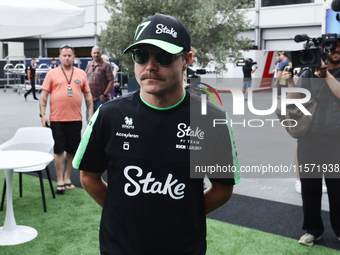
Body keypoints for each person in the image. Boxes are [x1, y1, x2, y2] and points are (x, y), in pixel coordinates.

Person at [73, 14, 240, 254]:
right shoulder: (109, 115)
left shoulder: (212, 120)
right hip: (119, 248)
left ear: (187, 59)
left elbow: (222, 189)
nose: (150, 66)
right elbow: (88, 177)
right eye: (141, 56)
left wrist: (183, 212)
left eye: (163, 56)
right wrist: (122, 211)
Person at [283, 41, 340, 246]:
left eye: (339, 47)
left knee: (337, 187)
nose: (336, 50)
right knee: (310, 187)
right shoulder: (309, 73)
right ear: (324, 51)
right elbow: (297, 99)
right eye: (332, 47)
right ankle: (313, 229)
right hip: (310, 139)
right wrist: (290, 82)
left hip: (336, 139)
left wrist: (326, 75)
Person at [39, 44, 93, 194]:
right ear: (60, 57)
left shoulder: (81, 73)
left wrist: (90, 114)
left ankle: (68, 178)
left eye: (69, 55)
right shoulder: (52, 73)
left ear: (74, 57)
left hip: (75, 119)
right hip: (56, 119)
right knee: (58, 150)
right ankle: (60, 180)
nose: (67, 57)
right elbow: (44, 95)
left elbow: (88, 95)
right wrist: (43, 114)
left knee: (72, 151)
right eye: (64, 55)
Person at [85, 46, 114, 114]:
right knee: (90, 121)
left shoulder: (106, 65)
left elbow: (111, 81)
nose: (96, 55)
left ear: (101, 53)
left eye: (98, 53)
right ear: (91, 54)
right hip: (90, 99)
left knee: (101, 121)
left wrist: (104, 95)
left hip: (101, 99)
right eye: (94, 53)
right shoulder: (89, 65)